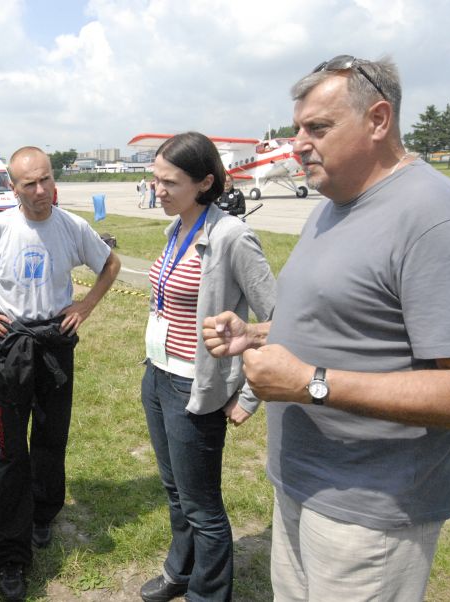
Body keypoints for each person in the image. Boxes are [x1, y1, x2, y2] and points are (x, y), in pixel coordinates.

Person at [202, 55, 450, 601]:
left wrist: (310, 383)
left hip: (371, 513)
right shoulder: (334, 202)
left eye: (317, 128)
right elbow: (346, 320)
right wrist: (256, 335)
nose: (298, 143)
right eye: (297, 128)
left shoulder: (435, 216)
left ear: (378, 120)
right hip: (302, 486)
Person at [0, 146, 121, 601]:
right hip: (12, 347)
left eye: (45, 180)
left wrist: (85, 305)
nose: (40, 191)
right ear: (13, 187)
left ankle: (43, 513)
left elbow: (110, 264)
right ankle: (8, 554)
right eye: (29, 184)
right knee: (10, 451)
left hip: (55, 344)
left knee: (50, 436)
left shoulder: (71, 227)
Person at [138, 133, 275, 602]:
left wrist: (250, 395)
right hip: (157, 377)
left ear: (204, 183)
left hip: (192, 388)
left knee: (202, 507)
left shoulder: (233, 237)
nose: (157, 190)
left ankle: (208, 594)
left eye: (169, 182)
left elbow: (277, 319)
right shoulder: (176, 228)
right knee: (175, 493)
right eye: (155, 180)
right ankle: (181, 572)